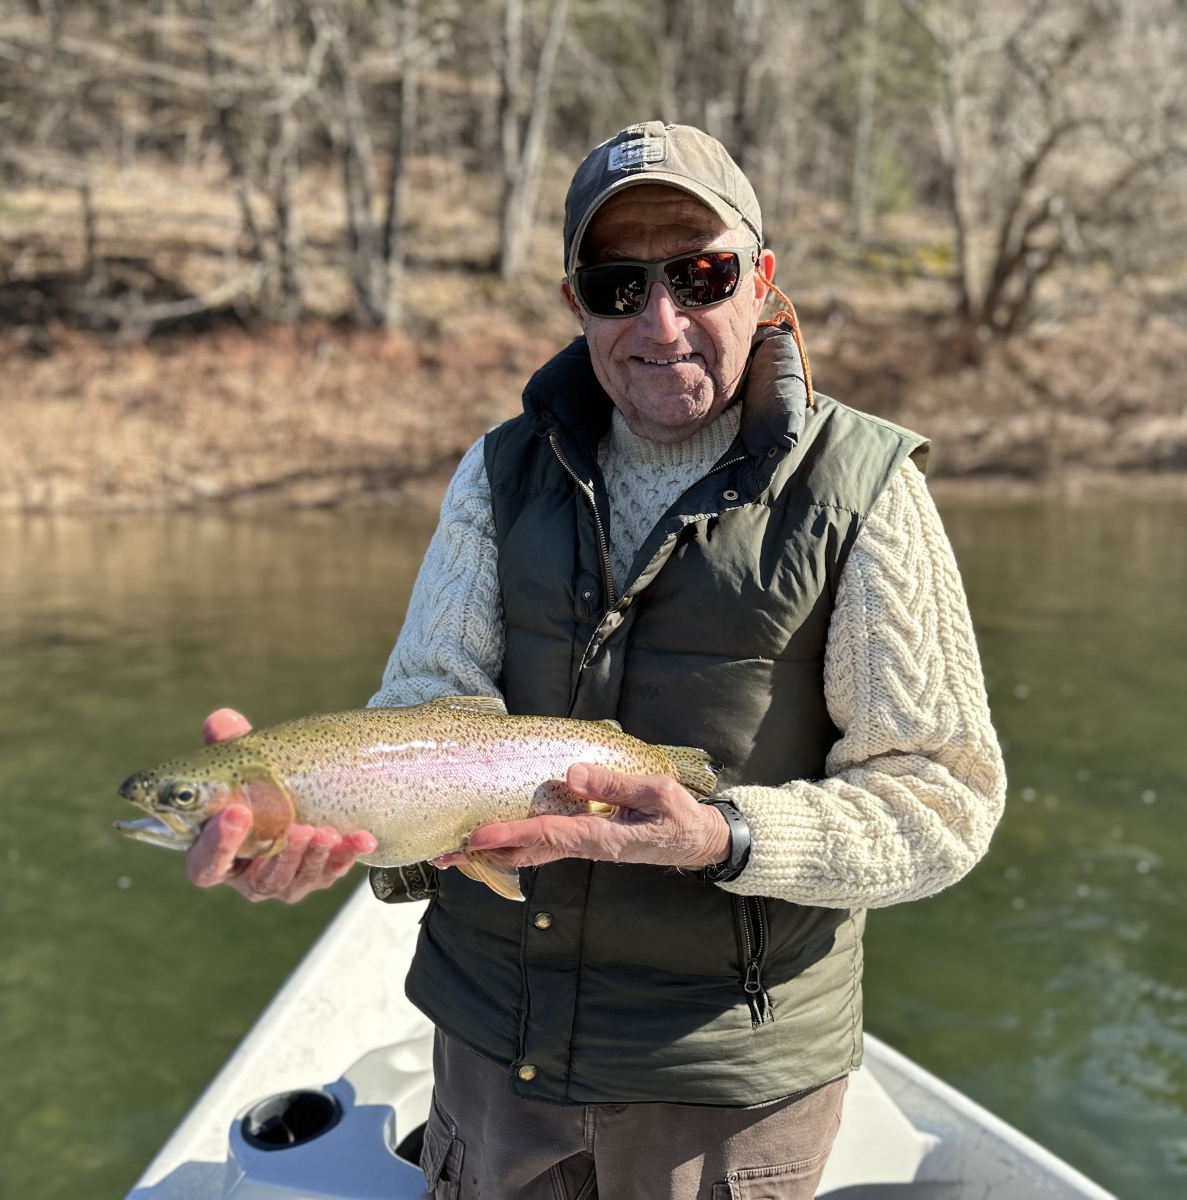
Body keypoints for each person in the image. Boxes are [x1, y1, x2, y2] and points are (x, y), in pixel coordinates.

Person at [187, 120, 1006, 1200]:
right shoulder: (496, 472)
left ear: (760, 282)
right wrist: (335, 828)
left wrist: (723, 836)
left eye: (700, 275)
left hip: (723, 1086)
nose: (661, 322)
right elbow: (430, 718)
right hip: (488, 1053)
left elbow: (945, 797)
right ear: (576, 304)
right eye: (618, 286)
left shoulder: (866, 488)